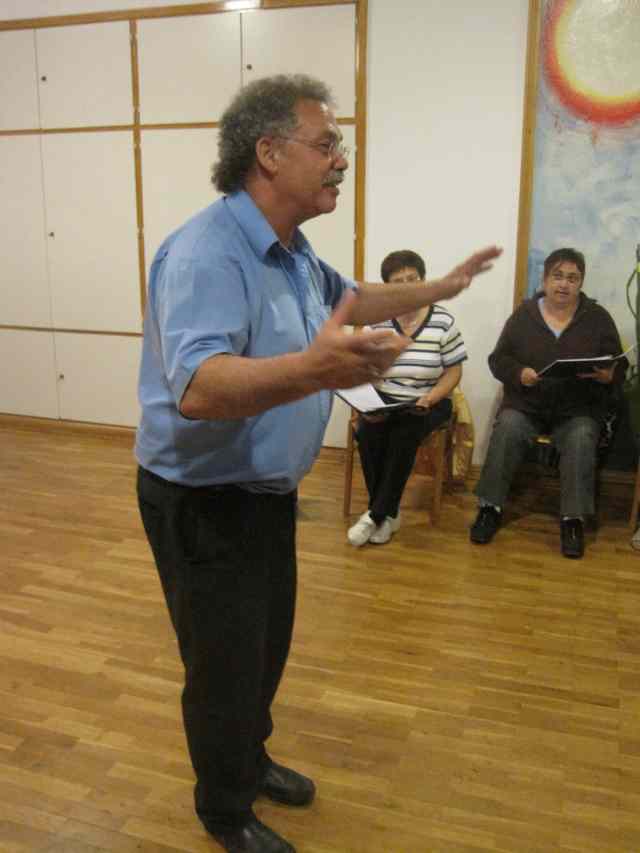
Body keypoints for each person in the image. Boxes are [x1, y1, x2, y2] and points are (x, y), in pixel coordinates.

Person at [135, 72, 501, 853]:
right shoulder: (206, 254)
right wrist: (313, 370)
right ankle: (223, 808)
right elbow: (198, 388)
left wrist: (443, 285)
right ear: (269, 152)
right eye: (327, 142)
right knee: (224, 664)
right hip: (203, 498)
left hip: (265, 492)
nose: (341, 158)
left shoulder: (293, 251)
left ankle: (249, 757)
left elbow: (354, 298)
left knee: (264, 646)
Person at [469, 247, 626, 559]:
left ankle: (572, 520)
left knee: (582, 436)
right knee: (508, 427)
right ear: (544, 280)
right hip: (527, 406)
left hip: (576, 409)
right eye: (558, 276)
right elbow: (498, 360)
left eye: (572, 278)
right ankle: (489, 509)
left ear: (581, 283)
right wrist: (519, 373)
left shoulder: (597, 318)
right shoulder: (523, 316)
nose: (564, 284)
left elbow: (619, 364)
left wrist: (609, 375)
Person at [347, 249, 467, 546]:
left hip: (428, 401)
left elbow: (453, 372)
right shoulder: (379, 322)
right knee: (368, 432)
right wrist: (367, 399)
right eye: (398, 282)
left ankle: (376, 515)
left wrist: (431, 397)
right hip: (386, 398)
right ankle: (389, 513)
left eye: (413, 279)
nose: (407, 286)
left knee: (404, 432)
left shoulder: (443, 321)